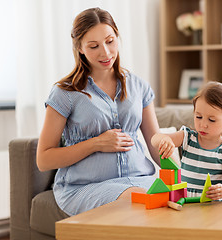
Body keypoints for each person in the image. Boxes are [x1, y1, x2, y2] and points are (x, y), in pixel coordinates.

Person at [36, 7, 161, 216]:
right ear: (80, 48)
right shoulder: (65, 93)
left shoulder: (139, 86)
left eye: (110, 41)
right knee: (140, 202)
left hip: (141, 179)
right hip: (86, 186)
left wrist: (187, 176)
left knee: (172, 201)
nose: (105, 52)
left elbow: (156, 144)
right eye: (93, 46)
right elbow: (44, 159)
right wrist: (97, 143)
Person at [151, 82, 222, 201]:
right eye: (198, 117)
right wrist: (165, 140)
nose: (203, 125)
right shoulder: (188, 138)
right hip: (187, 205)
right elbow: (154, 139)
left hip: (216, 209)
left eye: (211, 120)